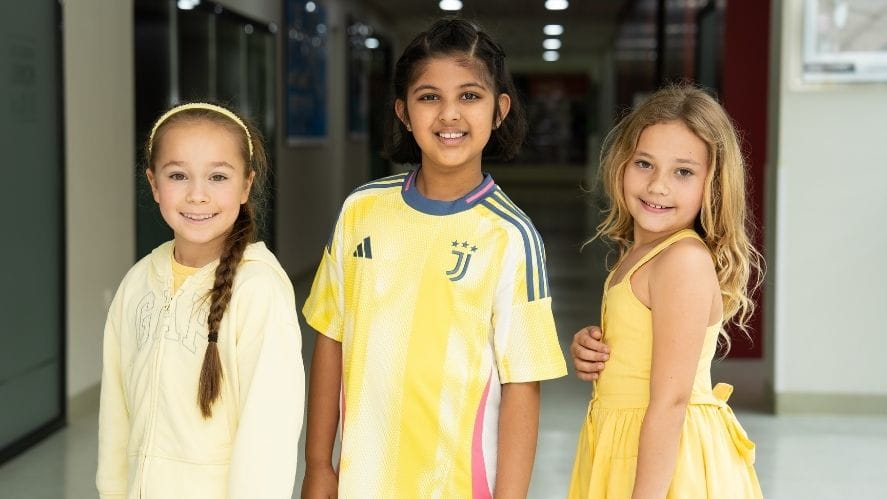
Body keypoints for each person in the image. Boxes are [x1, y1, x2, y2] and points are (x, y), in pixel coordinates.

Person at [300, 18, 567, 499]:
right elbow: (330, 339)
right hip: (364, 480)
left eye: (469, 96)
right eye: (429, 97)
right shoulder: (361, 210)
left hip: (457, 485)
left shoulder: (511, 236)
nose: (449, 115)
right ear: (404, 112)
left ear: (499, 110)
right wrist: (319, 464)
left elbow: (522, 386)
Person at [96, 102, 304, 499]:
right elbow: (115, 413)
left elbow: (268, 433)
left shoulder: (258, 290)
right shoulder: (138, 283)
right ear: (154, 183)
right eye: (178, 175)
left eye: (218, 177)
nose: (197, 195)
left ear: (246, 185)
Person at [568, 85, 763, 498]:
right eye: (644, 164)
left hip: (666, 469)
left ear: (713, 185)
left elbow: (671, 402)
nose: (658, 186)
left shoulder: (682, 261)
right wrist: (598, 346)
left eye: (683, 172)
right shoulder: (641, 253)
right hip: (629, 448)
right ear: (621, 164)